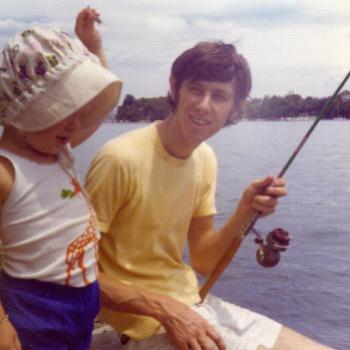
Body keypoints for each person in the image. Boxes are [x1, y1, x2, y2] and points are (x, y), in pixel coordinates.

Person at [85, 42, 332, 350]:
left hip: (192, 305)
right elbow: (75, 274)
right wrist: (166, 309)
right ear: (175, 87)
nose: (204, 105)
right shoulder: (119, 159)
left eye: (219, 96)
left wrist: (245, 208)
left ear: (237, 106)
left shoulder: (205, 158)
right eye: (195, 89)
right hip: (137, 326)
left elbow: (203, 259)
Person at [0, 8, 122, 350]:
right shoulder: (6, 171)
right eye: (61, 111)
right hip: (34, 303)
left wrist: (92, 46)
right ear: (21, 112)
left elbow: (94, 109)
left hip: (83, 298)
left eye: (78, 110)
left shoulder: (58, 148)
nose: (76, 123)